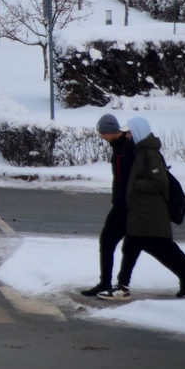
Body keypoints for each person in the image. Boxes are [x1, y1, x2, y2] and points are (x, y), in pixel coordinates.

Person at [98, 117, 185, 300]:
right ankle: (122, 287)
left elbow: (160, 182)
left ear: (139, 132)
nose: (128, 135)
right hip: (142, 212)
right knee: (134, 246)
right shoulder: (140, 152)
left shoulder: (150, 154)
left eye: (131, 132)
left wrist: (135, 185)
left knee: (164, 249)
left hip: (151, 213)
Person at [79, 114, 133, 297]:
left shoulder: (126, 148)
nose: (102, 136)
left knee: (152, 245)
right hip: (122, 205)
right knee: (112, 242)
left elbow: (128, 178)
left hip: (126, 207)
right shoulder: (120, 146)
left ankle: (111, 284)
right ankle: (108, 283)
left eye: (103, 133)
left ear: (111, 131)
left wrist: (124, 200)